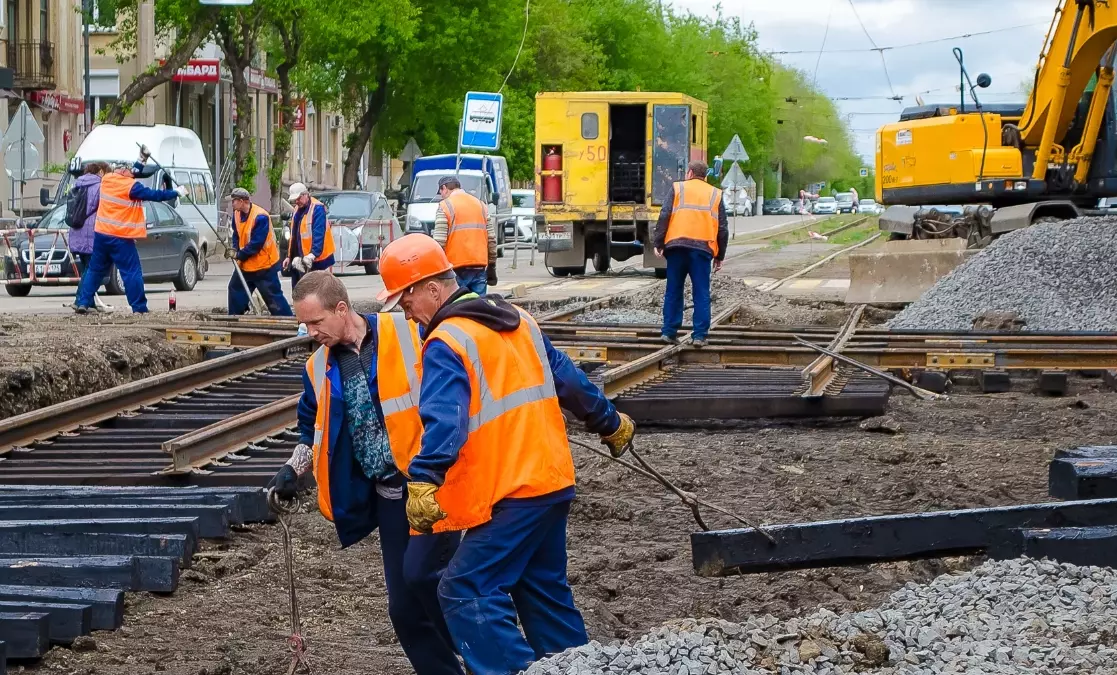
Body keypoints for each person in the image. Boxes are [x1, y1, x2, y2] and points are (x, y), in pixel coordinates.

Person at [376, 234, 636, 675]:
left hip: (511, 493)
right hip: (552, 481)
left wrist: (424, 478)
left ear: (434, 289)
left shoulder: (446, 341)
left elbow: (446, 419)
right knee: (543, 595)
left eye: (406, 302)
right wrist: (609, 421)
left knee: (464, 589)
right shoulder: (519, 320)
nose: (407, 313)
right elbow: (568, 380)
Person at [268, 270, 463, 675]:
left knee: (429, 580)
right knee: (404, 609)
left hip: (432, 488)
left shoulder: (407, 332)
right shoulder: (316, 368)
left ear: (342, 309)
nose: (311, 332)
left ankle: (487, 660)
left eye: (316, 322)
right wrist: (293, 468)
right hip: (389, 497)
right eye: (304, 325)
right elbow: (311, 431)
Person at [72, 151, 187, 314]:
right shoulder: (131, 187)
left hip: (101, 234)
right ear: (124, 172)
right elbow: (155, 195)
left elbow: (132, 171)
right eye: (129, 171)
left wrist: (142, 160)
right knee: (131, 272)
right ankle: (139, 308)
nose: (132, 174)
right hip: (120, 237)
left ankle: (83, 302)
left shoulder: (106, 180)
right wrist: (176, 192)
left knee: (94, 270)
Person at [652, 160, 728, 348]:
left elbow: (665, 215)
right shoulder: (715, 194)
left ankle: (669, 332)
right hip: (702, 250)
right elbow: (723, 228)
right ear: (705, 176)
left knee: (673, 290)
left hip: (676, 247)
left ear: (690, 173)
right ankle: (699, 336)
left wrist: (659, 242)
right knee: (701, 292)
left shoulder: (678, 189)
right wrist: (720, 256)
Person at [226, 187, 293, 316]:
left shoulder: (260, 217)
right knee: (235, 290)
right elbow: (237, 234)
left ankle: (287, 320)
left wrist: (239, 255)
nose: (232, 204)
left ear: (242, 201)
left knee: (273, 298)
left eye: (234, 201)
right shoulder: (236, 214)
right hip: (245, 265)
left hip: (264, 266)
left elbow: (256, 244)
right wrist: (234, 249)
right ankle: (235, 319)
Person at [432, 176, 498, 295]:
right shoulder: (481, 205)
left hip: (455, 268)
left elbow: (439, 242)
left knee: (457, 308)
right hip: (479, 266)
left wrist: (436, 269)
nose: (441, 195)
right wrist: (492, 264)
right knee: (479, 308)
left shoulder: (445, 206)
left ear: (444, 188)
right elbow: (491, 239)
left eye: (440, 192)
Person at [68, 162, 113, 313]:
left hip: (76, 231)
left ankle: (87, 301)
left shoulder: (77, 184)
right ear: (100, 171)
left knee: (87, 268)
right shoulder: (100, 186)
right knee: (92, 269)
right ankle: (80, 301)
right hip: (91, 231)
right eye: (106, 172)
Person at [283, 182, 334, 290]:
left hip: (316, 259)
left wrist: (313, 254)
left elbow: (319, 234)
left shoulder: (317, 208)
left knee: (313, 291)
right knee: (299, 289)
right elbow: (294, 235)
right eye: (294, 200)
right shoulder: (298, 208)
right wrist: (289, 256)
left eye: (298, 198)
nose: (296, 202)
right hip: (301, 257)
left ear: (306, 195)